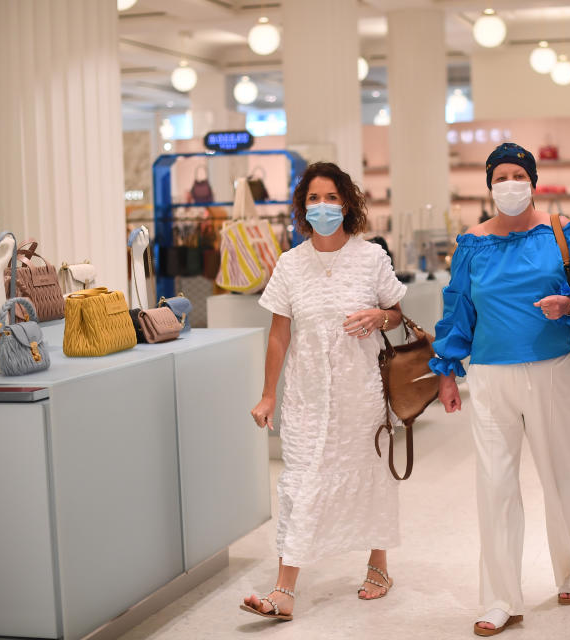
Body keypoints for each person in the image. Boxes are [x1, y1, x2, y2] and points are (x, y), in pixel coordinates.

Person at [431, 142, 570, 636]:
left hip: (551, 370)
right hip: (490, 376)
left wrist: (569, 305)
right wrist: (447, 370)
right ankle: (500, 597)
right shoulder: (472, 245)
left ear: (532, 180)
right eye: (500, 176)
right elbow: (458, 307)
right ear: (489, 185)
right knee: (495, 485)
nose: (509, 184)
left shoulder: (562, 234)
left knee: (563, 475)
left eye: (517, 175)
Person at [242, 161, 407, 621]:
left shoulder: (371, 256)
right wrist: (268, 393)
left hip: (362, 391)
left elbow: (396, 313)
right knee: (302, 479)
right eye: (313, 198)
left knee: (371, 472)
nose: (322, 206)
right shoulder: (291, 264)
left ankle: (379, 566)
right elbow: (279, 333)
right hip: (307, 393)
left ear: (347, 203)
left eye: (331, 197)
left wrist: (379, 317)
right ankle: (284, 590)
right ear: (302, 207)